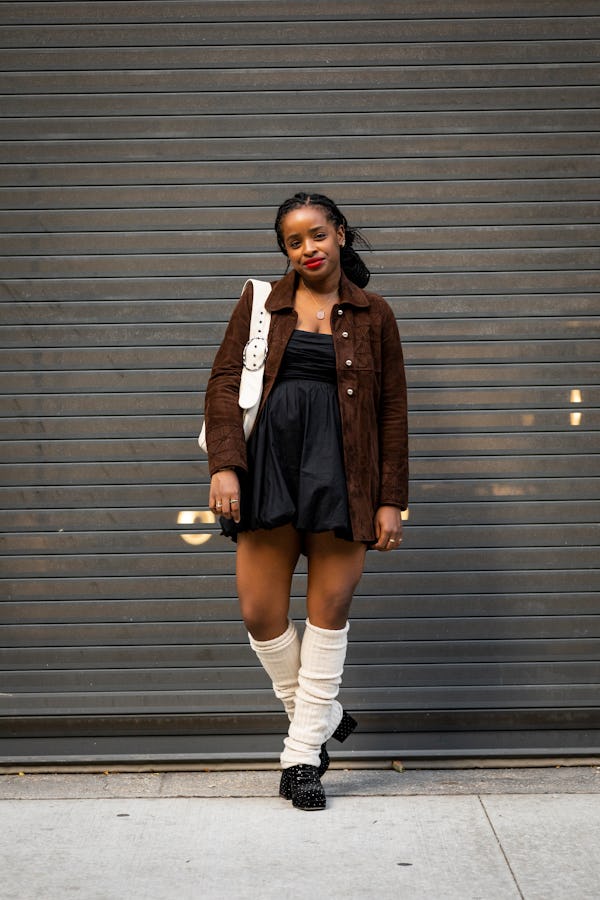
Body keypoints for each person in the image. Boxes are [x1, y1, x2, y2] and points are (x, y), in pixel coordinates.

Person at [203, 192, 408, 810]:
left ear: (340, 234)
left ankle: (300, 761)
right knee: (260, 612)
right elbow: (222, 383)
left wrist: (390, 499)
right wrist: (225, 467)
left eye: (316, 235)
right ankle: (324, 716)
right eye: (294, 242)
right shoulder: (260, 303)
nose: (307, 249)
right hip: (270, 466)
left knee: (328, 614)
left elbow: (391, 411)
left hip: (349, 475)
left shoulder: (375, 314)